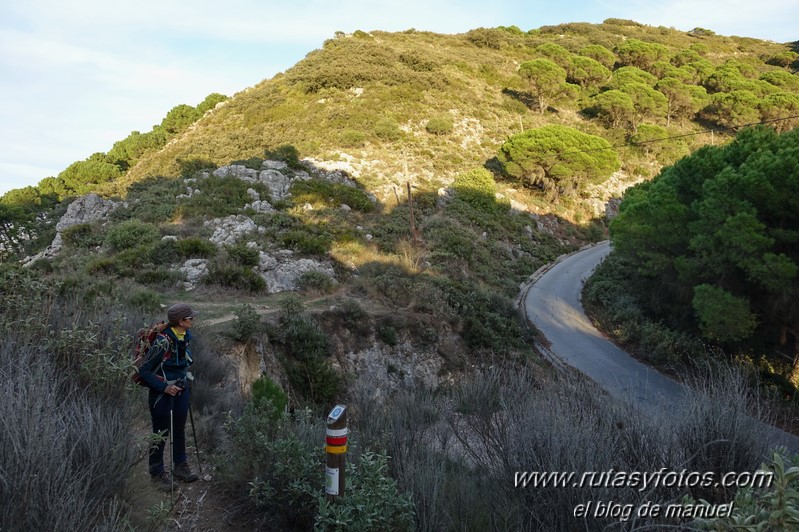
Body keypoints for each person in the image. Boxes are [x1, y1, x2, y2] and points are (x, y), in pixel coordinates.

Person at [138, 303, 200, 490]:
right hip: (162, 394)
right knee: (160, 433)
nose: (193, 320)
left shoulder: (184, 337)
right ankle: (157, 474)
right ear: (181, 321)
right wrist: (164, 388)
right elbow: (143, 371)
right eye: (190, 318)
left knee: (179, 428)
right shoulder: (162, 342)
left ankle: (180, 466)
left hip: (181, 389)